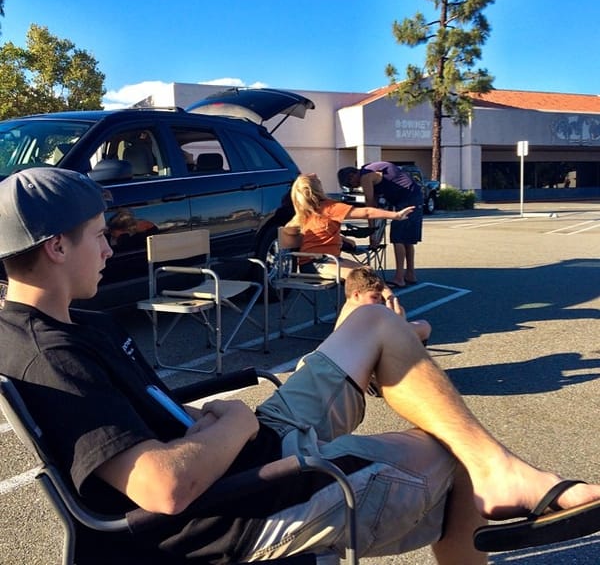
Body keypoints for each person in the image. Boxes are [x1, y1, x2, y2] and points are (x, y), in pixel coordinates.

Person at [0, 168, 599, 565]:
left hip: (239, 448)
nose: (109, 249)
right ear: (56, 246)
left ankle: (485, 450)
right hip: (236, 503)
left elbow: (145, 416)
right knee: (448, 453)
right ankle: (487, 466)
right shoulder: (49, 355)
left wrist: (212, 420)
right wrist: (231, 426)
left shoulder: (78, 323)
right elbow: (162, 487)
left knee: (373, 320)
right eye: (100, 236)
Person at [286, 173, 413, 297]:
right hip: (315, 263)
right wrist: (395, 215)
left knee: (368, 272)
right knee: (360, 278)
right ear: (318, 189)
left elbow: (320, 232)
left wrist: (342, 238)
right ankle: (378, 305)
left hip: (324, 260)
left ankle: (386, 300)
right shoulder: (329, 208)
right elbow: (366, 212)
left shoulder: (304, 212)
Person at [338, 162, 424, 288]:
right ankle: (410, 274)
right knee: (407, 240)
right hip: (414, 195)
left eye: (351, 184)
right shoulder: (372, 169)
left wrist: (372, 233)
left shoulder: (365, 176)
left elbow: (370, 204)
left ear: (352, 175)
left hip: (407, 199)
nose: (356, 186)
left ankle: (399, 278)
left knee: (398, 238)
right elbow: (376, 201)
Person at [336, 266, 431, 344]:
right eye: (374, 297)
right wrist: (399, 321)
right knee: (424, 327)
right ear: (356, 294)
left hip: (350, 357)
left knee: (421, 326)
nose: (379, 302)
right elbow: (386, 336)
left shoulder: (351, 305)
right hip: (356, 361)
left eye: (380, 298)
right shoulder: (361, 313)